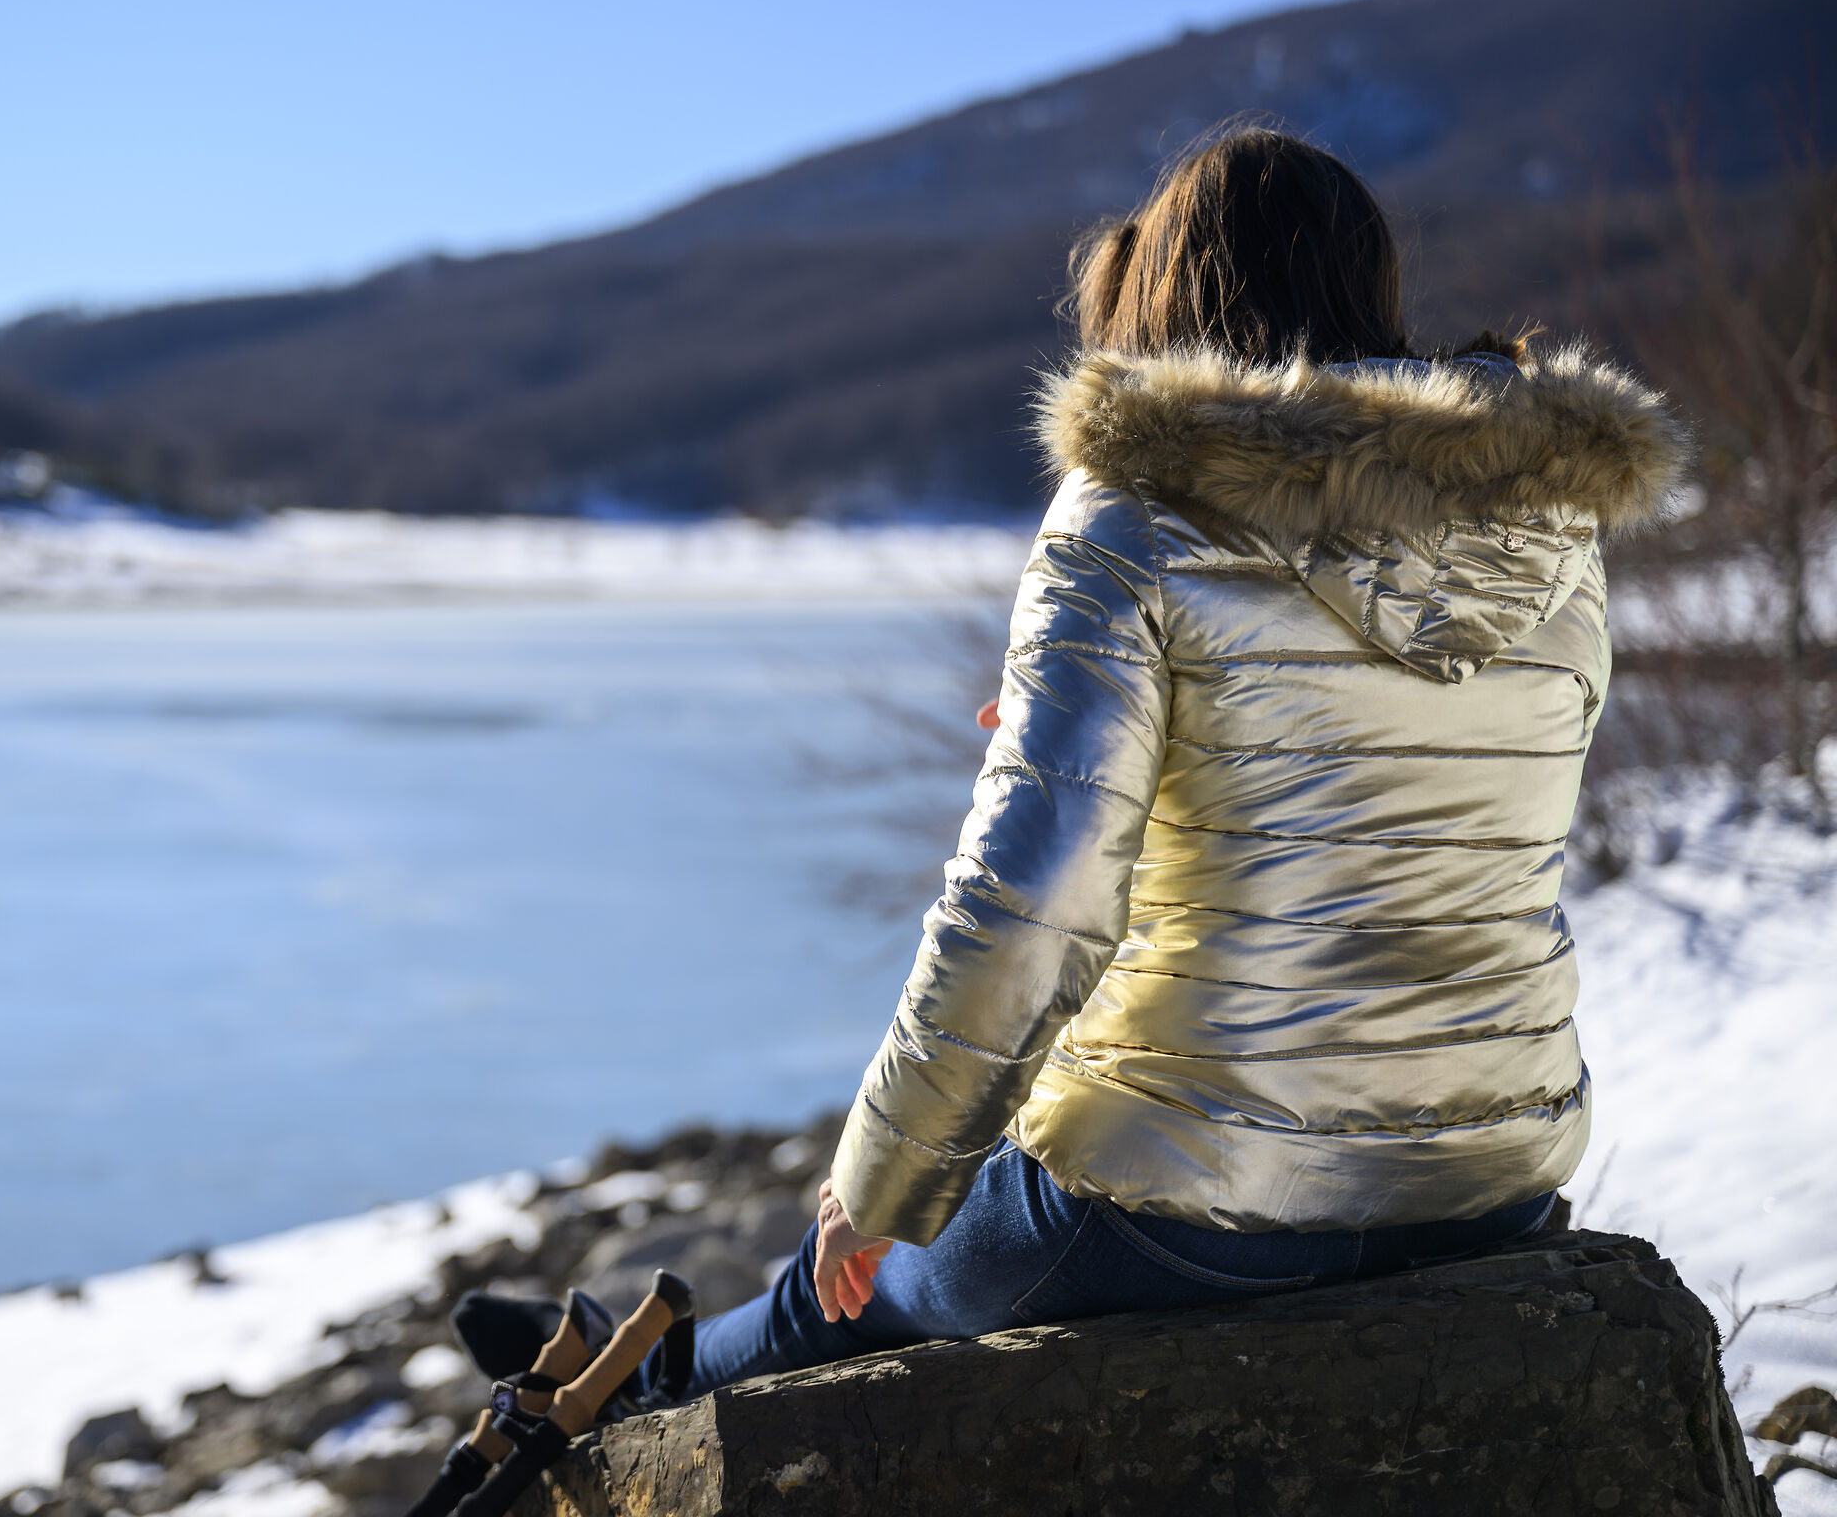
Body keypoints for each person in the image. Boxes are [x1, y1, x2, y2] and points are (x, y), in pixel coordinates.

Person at [649, 125, 1693, 1398]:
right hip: (1492, 1174)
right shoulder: (1553, 533)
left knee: (847, 1289)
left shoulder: (1136, 511)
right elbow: (1436, 810)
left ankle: (635, 1386)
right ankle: (626, 1355)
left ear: (1165, 298)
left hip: (1187, 1203)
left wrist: (876, 1181)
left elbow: (1031, 901)